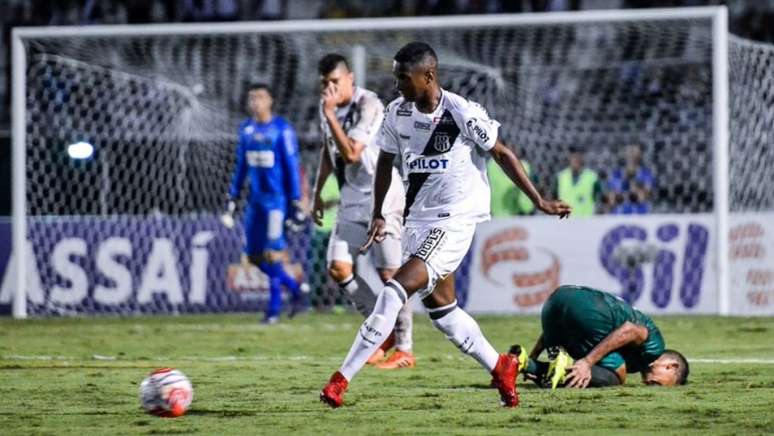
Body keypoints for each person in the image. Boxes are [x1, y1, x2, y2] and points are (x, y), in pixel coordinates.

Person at [319, 42, 571, 409]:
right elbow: (385, 163)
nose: (397, 85)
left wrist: (540, 201)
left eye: (403, 78)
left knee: (392, 292)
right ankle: (501, 367)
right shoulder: (396, 113)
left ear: (429, 76)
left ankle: (339, 382)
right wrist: (378, 213)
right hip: (417, 220)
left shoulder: (461, 112)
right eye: (395, 77)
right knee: (444, 313)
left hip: (454, 220)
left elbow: (502, 153)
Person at [311, 53, 416, 370]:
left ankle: (405, 348)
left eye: (334, 82)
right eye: (324, 83)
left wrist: (330, 115)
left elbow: (353, 153)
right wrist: (317, 193)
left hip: (381, 196)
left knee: (390, 275)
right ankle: (379, 329)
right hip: (352, 197)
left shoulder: (368, 104)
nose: (329, 88)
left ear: (350, 79)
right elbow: (330, 151)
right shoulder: (326, 108)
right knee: (338, 266)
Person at [222, 83, 307, 324]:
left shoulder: (282, 130)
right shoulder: (246, 129)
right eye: (251, 98)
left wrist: (295, 201)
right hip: (255, 202)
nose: (255, 102)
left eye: (259, 97)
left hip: (276, 203)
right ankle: (296, 290)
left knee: (272, 254)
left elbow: (292, 168)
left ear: (270, 100)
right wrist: (233, 196)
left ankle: (273, 311)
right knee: (253, 255)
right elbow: (241, 166)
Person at [511, 285, 689, 389]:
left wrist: (535, 353)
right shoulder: (655, 347)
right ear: (671, 367)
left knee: (555, 374)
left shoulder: (635, 358)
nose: (650, 385)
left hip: (554, 303)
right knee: (617, 377)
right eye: (658, 384)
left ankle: (520, 362)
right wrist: (587, 362)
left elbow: (566, 322)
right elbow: (630, 330)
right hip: (592, 311)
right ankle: (561, 366)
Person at [605, 143, 655, 214]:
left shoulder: (646, 173)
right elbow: (611, 199)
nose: (631, 155)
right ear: (625, 154)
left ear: (640, 154)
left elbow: (644, 196)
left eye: (634, 151)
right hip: (618, 215)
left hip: (641, 214)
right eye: (629, 151)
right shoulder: (616, 173)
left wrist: (621, 194)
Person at [488, 144, 536, 216]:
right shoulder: (491, 165)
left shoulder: (525, 167)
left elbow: (527, 207)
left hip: (516, 216)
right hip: (495, 215)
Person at [555, 146, 601, 217]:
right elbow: (553, 198)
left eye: (578, 157)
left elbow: (600, 197)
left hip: (585, 221)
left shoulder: (592, 178)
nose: (575, 160)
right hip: (564, 222)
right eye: (573, 157)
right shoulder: (560, 177)